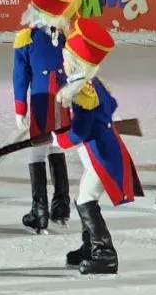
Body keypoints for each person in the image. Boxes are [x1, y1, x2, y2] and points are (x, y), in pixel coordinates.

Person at [53, 18, 141, 275]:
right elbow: (111, 105)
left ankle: (104, 254)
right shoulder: (91, 84)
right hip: (99, 153)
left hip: (101, 155)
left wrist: (60, 140)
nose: (62, 62)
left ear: (77, 62)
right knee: (83, 197)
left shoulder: (83, 92)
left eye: (65, 58)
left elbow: (80, 132)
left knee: (85, 199)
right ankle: (90, 246)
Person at [13, 0, 78, 233]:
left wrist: (20, 108)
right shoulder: (64, 37)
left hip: (41, 102)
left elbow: (20, 77)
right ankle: (60, 207)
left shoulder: (25, 38)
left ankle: (39, 212)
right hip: (62, 102)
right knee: (57, 149)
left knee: (37, 152)